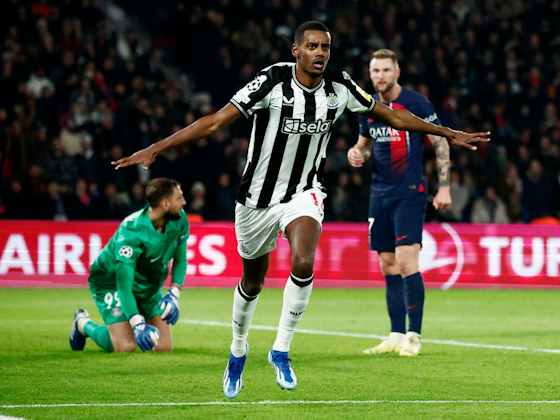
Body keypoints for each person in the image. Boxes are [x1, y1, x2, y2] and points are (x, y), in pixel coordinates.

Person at [112, 21, 488, 398]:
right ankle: (238, 349)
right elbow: (214, 122)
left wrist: (446, 132)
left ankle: (281, 349)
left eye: (325, 46)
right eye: (312, 46)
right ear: (296, 51)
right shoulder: (272, 82)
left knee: (304, 261)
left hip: (303, 193)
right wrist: (156, 148)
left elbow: (392, 116)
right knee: (252, 282)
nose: (320, 53)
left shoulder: (340, 86)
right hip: (256, 200)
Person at [347, 49, 454, 356]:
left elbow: (440, 142)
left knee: (407, 261)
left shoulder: (415, 103)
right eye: (375, 70)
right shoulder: (368, 106)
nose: (380, 75)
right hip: (379, 194)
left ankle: (414, 335)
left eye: (385, 70)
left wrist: (444, 187)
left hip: (409, 191)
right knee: (387, 264)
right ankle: (395, 334)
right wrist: (357, 153)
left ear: (397, 72)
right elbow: (364, 144)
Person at [69, 177, 189, 353]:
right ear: (165, 204)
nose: (184, 202)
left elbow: (181, 259)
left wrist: (174, 294)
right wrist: (137, 322)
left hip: (146, 282)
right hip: (111, 280)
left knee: (163, 347)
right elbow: (123, 286)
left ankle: (128, 322)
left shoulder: (179, 218)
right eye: (179, 198)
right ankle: (82, 324)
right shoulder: (131, 231)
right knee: (126, 346)